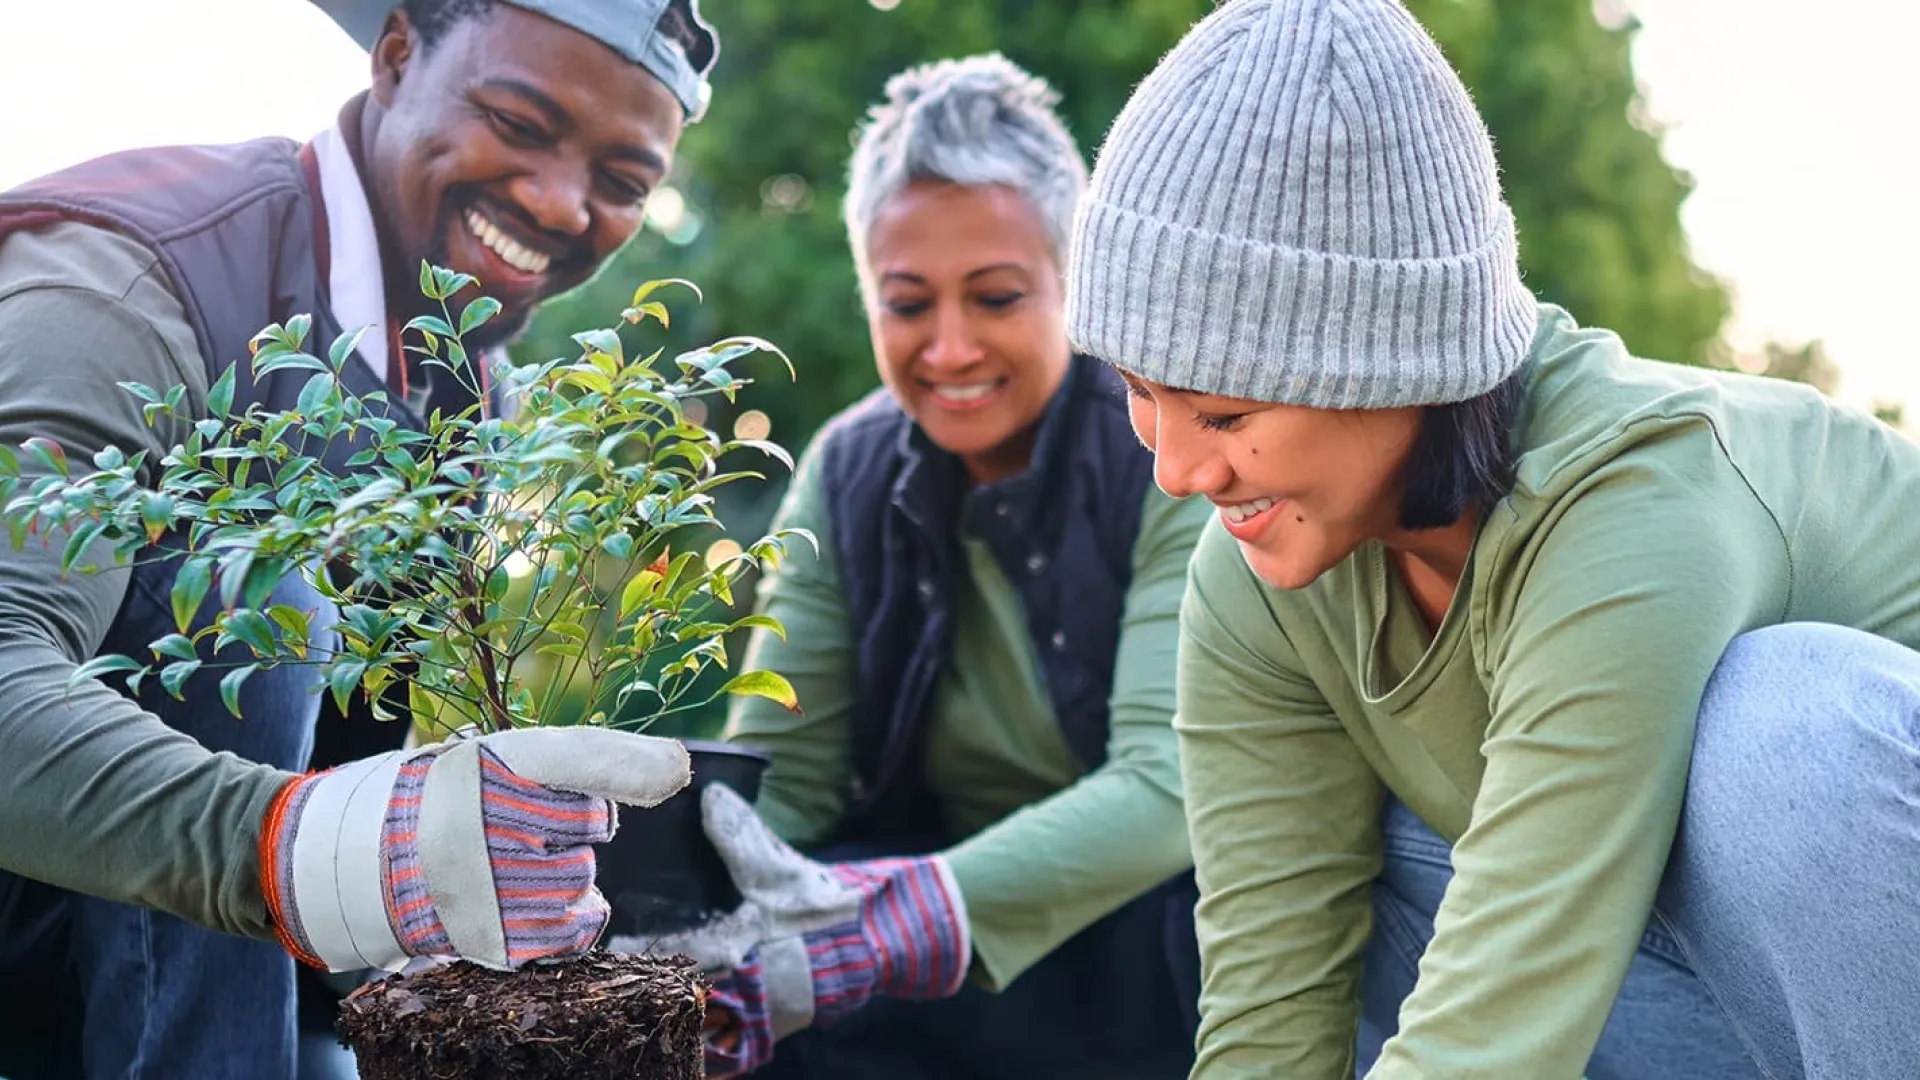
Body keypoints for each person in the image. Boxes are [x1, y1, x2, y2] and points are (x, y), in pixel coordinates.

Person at [1060, 1, 1920, 1078]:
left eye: (1226, 417)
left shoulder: (1639, 503)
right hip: (1667, 983)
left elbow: (1501, 1012)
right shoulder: (1263, 574)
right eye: (1140, 394)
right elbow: (1266, 1021)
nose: (1176, 471)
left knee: (1787, 731)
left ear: (1391, 363)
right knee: (1356, 865)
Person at [0, 2, 720, 1077]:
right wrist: (317, 850)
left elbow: (366, 762)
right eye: (519, 123)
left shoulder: (464, 396)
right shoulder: (132, 281)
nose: (561, 203)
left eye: (621, 182)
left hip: (164, 973)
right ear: (394, 57)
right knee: (261, 596)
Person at [633, 54, 1211, 1079]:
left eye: (994, 297)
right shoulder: (850, 470)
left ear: (1071, 282)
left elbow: (1172, 789)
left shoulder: (1167, 449)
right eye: (907, 305)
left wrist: (891, 927)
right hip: (929, 939)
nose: (949, 349)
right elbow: (781, 786)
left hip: (1152, 924)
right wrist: (641, 913)